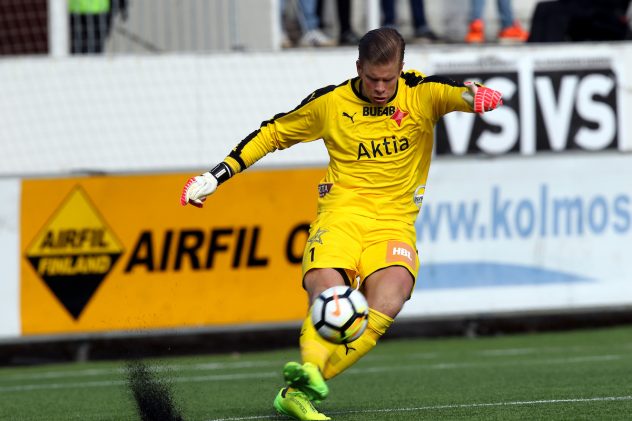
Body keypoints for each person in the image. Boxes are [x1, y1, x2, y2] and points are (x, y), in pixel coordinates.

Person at [181, 27, 503, 420]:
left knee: (392, 296)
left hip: (394, 224)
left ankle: (300, 387)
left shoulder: (421, 93)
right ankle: (310, 374)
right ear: (358, 68)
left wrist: (479, 95)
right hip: (341, 218)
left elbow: (457, 91)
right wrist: (216, 176)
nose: (381, 88)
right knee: (327, 291)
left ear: (401, 68)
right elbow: (273, 133)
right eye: (372, 79)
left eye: (389, 79)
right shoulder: (331, 103)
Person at [527, 0, 631, 43]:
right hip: (585, 9)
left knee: (557, 14)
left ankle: (546, 58)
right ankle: (532, 52)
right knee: (543, 8)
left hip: (607, 15)